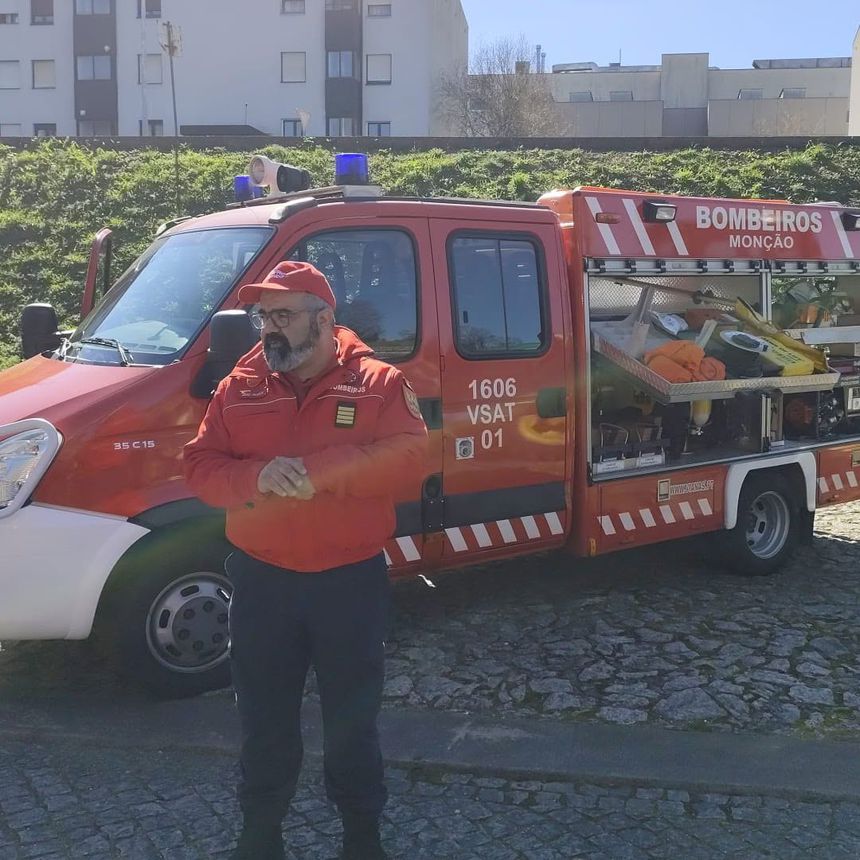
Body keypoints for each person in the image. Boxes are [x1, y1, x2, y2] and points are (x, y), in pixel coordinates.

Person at [183, 260, 428, 860]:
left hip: (348, 583)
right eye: (264, 316)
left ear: (324, 320)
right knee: (263, 721)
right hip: (263, 581)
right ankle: (260, 835)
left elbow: (410, 458)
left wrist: (319, 475)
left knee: (352, 722)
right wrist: (257, 476)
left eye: (284, 316)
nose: (270, 328)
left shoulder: (378, 383)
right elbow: (200, 467)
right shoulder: (238, 387)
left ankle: (361, 837)